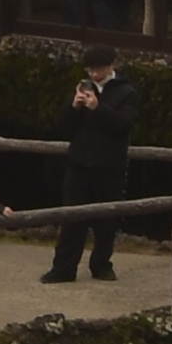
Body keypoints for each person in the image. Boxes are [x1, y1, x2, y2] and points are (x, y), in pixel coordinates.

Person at [42, 62, 132, 281]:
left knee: (106, 220)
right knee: (71, 218)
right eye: (90, 70)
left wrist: (98, 108)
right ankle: (64, 267)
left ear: (111, 65)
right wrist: (74, 106)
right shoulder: (83, 88)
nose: (94, 74)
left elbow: (123, 126)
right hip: (79, 165)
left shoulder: (126, 92)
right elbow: (64, 128)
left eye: (98, 69)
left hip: (110, 167)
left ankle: (101, 265)